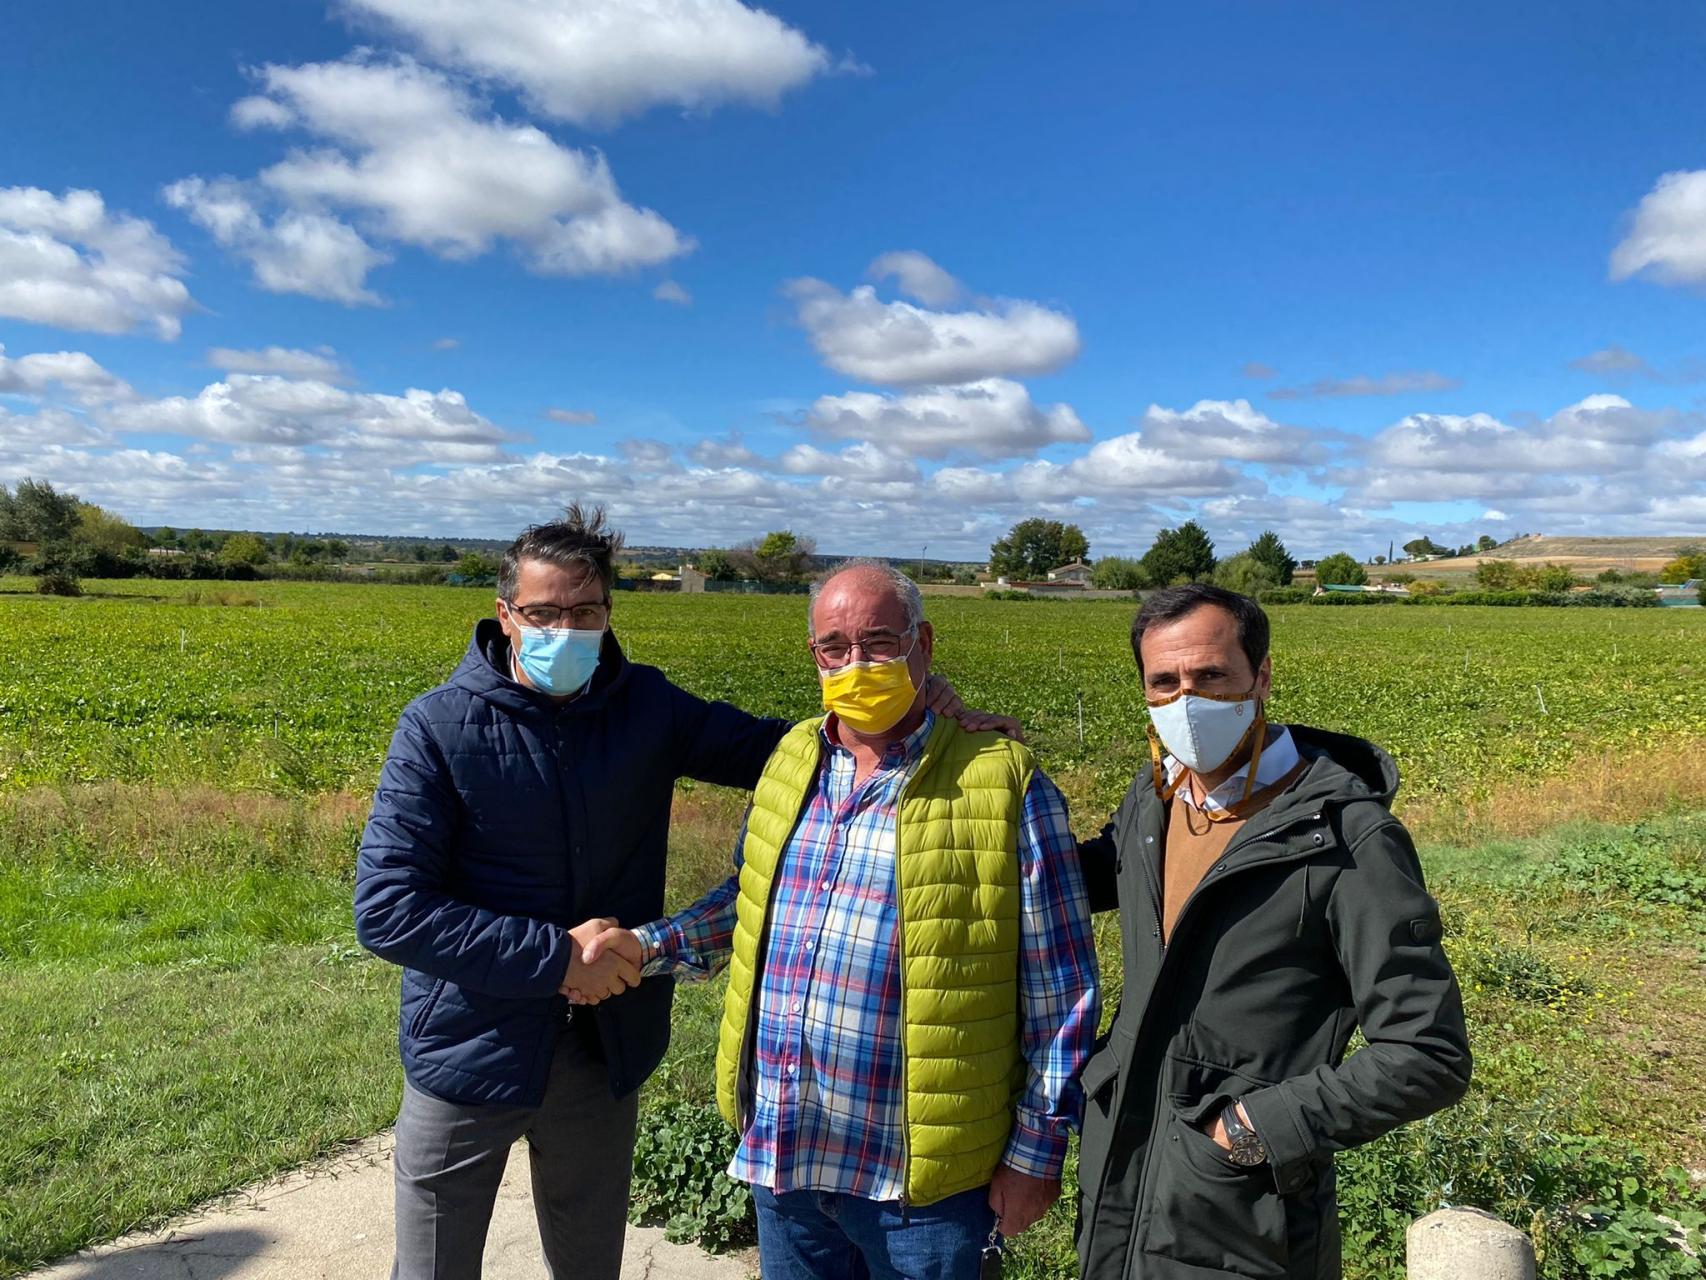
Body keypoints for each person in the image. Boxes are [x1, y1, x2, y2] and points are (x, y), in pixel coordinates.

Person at [353, 512, 999, 1280]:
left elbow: (787, 752)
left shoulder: (646, 706)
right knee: (432, 1266)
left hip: (601, 1049)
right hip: (467, 1047)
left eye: (585, 611)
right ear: (506, 614)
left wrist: (918, 712)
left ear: (608, 611)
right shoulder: (439, 727)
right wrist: (555, 958)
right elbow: (388, 906)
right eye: (544, 613)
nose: (566, 629)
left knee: (589, 1263)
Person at [585, 559, 1100, 1280]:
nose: (857, 663)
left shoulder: (1004, 782)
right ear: (815, 657)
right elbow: (749, 901)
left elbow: (1061, 990)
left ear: (923, 644)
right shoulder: (792, 760)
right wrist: (645, 946)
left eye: (880, 642)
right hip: (788, 1161)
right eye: (836, 647)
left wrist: (1036, 1154)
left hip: (922, 1190)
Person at [1073, 584, 1472, 1280]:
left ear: (1261, 677)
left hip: (1241, 1210)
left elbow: (1427, 1053)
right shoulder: (1157, 796)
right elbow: (1094, 874)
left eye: (1210, 675)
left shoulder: (1346, 838)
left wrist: (1255, 1129)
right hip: (1121, 1174)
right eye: (1164, 682)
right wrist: (985, 759)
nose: (1186, 701)